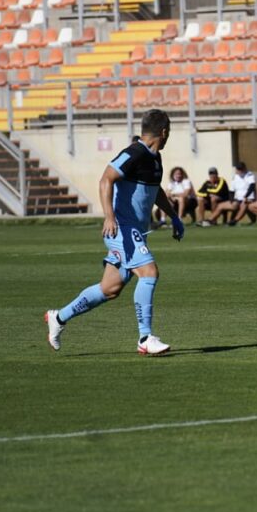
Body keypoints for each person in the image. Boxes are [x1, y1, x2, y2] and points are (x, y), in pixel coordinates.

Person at [45, 109, 183, 355]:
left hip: (133, 230)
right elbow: (106, 179)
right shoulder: (134, 153)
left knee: (110, 288)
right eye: (169, 131)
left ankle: (59, 317)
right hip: (122, 227)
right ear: (164, 132)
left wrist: (173, 216)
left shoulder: (154, 158)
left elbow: (156, 190)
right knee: (149, 272)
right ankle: (144, 337)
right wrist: (109, 216)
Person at [227, 161, 257, 225]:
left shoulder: (249, 175)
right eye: (238, 169)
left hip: (248, 198)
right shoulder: (235, 177)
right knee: (231, 205)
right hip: (238, 198)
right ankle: (211, 220)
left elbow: (252, 186)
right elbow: (231, 190)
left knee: (244, 204)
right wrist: (231, 200)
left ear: (244, 168)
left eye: (241, 169)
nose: (240, 170)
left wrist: (246, 196)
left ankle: (235, 220)